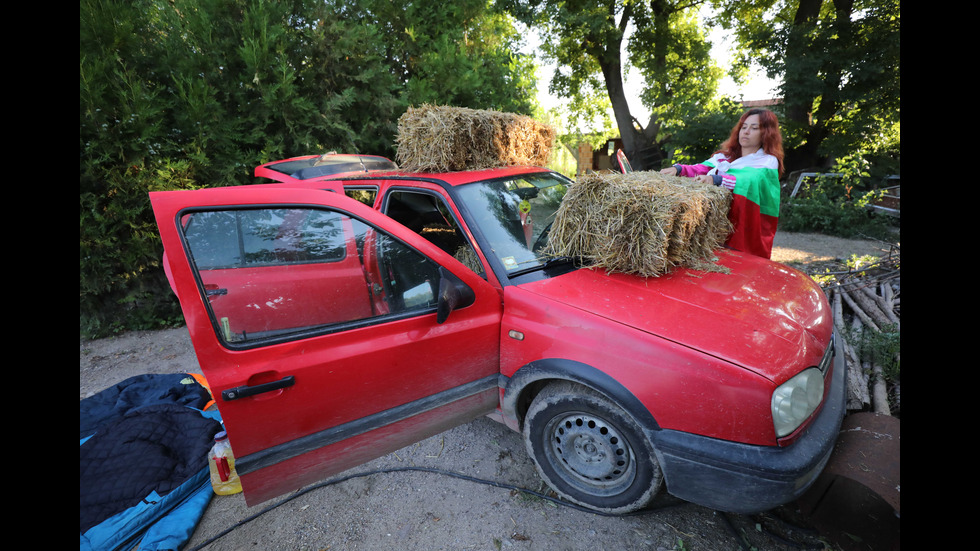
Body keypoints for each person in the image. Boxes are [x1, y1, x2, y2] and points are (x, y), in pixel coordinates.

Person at [661, 108, 784, 259]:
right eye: (744, 127)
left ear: (766, 133)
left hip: (743, 228)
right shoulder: (724, 157)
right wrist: (678, 169)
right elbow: (701, 168)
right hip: (714, 230)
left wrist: (716, 180)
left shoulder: (767, 161)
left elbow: (749, 180)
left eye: (754, 128)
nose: (746, 132)